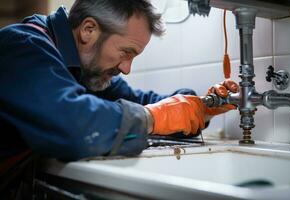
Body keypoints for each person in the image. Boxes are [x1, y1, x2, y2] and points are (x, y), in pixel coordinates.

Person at [0, 0, 238, 196]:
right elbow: (73, 126)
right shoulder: (23, 45)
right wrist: (152, 117)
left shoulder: (83, 68)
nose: (126, 69)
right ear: (88, 30)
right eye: (126, 52)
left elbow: (142, 101)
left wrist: (200, 107)